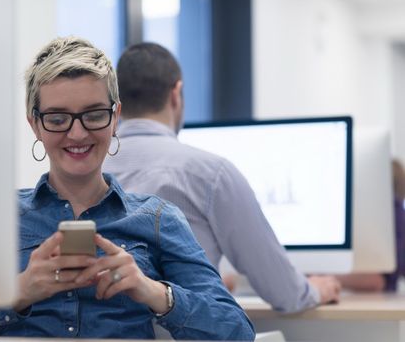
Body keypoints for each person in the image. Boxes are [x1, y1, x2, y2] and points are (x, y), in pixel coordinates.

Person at [0, 36, 255, 340]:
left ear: (115, 117)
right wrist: (18, 291)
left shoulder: (158, 218)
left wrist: (153, 292)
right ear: (35, 124)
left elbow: (236, 331)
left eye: (93, 115)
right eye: (58, 119)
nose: (77, 134)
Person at [103, 42, 341, 313]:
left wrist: (206, 283)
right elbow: (284, 293)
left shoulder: (87, 172)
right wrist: (315, 290)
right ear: (176, 94)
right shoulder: (210, 174)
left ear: (116, 103)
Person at [336, 159, 405, 291]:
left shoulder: (386, 214)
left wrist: (317, 276)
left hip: (376, 299)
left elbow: (375, 280)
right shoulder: (397, 214)